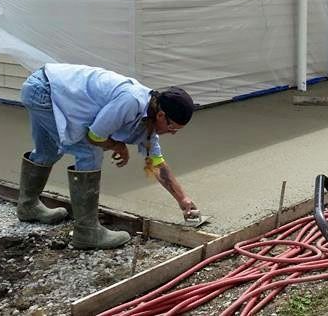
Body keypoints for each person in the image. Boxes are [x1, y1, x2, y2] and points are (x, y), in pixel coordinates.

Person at [16, 63, 200, 250]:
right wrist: (117, 145)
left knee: (48, 150)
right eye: (173, 128)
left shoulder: (149, 120)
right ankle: (87, 232)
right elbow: (95, 135)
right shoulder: (132, 101)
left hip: (44, 87)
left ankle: (28, 206)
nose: (174, 133)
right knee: (89, 152)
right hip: (45, 92)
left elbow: (156, 163)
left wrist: (182, 199)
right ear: (161, 115)